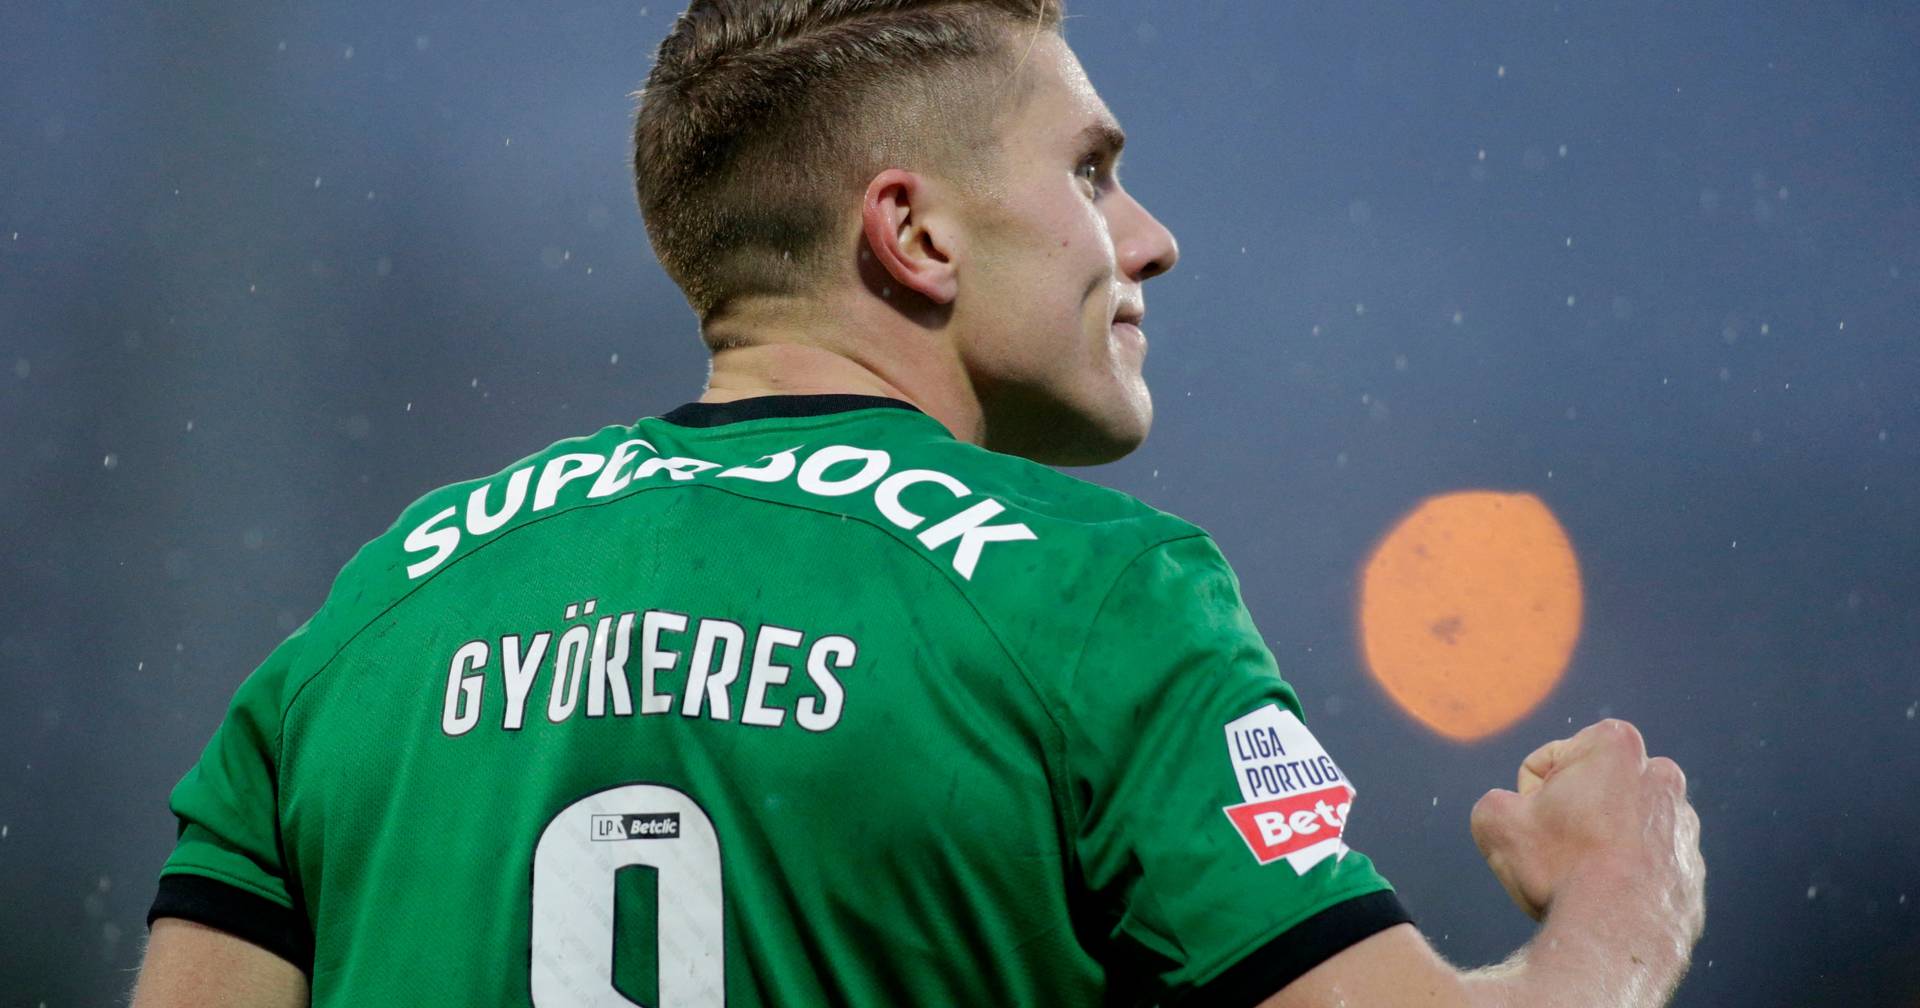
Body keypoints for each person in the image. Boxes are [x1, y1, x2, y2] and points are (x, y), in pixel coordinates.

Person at [133, 1, 1707, 1005]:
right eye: (1091, 172)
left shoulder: (374, 615)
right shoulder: (1093, 599)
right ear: (919, 236)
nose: (1147, 240)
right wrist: (1616, 912)